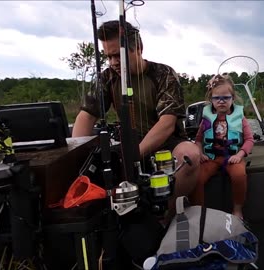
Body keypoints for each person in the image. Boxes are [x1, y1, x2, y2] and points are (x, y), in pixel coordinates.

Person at [71, 20, 200, 264]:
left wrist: (134, 156)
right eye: (108, 57)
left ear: (138, 47)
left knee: (190, 156)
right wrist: (74, 158)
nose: (112, 63)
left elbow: (167, 123)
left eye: (117, 55)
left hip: (167, 142)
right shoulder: (108, 78)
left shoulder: (163, 74)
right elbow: (86, 115)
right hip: (129, 143)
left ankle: (167, 219)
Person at [190, 74, 254, 219]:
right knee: (196, 178)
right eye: (217, 98)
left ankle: (237, 210)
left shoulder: (240, 118)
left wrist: (239, 155)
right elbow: (198, 139)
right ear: (211, 100)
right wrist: (200, 153)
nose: (221, 101)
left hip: (232, 157)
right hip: (211, 158)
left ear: (233, 98)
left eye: (226, 98)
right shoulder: (206, 118)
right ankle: (198, 212)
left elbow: (249, 140)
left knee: (239, 176)